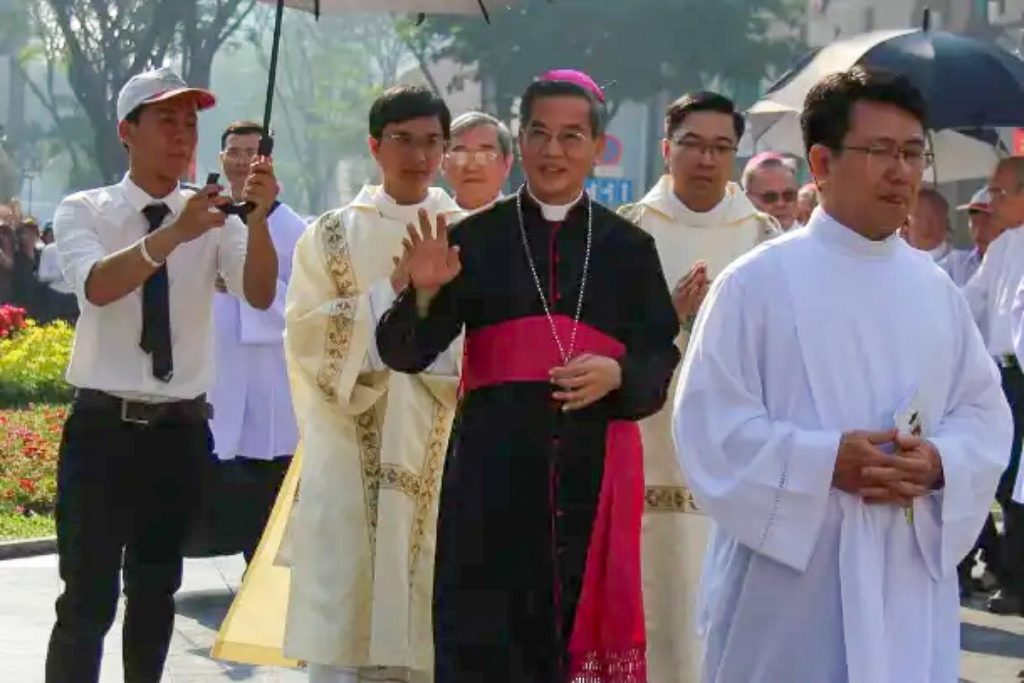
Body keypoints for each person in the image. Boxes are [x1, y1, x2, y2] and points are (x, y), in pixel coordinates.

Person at [674, 66, 1011, 683]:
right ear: (822, 163)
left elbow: (984, 416)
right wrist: (826, 461)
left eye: (913, 153)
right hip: (791, 590)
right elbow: (710, 429)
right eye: (880, 151)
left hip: (904, 579)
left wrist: (938, 462)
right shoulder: (755, 285)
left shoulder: (936, 291)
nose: (902, 171)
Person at [377, 69, 680, 683]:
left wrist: (619, 373)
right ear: (520, 141)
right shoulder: (474, 239)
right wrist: (426, 295)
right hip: (491, 478)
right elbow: (403, 353)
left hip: (591, 475)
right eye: (539, 133)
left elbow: (659, 356)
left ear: (598, 147)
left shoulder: (629, 248)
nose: (553, 150)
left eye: (572, 136)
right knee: (487, 639)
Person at [215, 85, 465, 682]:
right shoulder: (328, 235)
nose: (419, 154)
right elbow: (303, 338)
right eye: (403, 139)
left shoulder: (471, 233)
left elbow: (487, 346)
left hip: (444, 455)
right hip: (349, 460)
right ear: (375, 145)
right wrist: (392, 292)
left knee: (433, 634)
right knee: (342, 640)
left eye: (432, 141)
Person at [44, 66, 279, 683]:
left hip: (178, 431)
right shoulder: (87, 210)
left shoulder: (214, 217)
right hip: (104, 426)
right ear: (128, 131)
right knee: (86, 600)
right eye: (166, 122)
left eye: (190, 124)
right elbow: (98, 286)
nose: (181, 137)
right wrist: (177, 232)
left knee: (155, 595)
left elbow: (257, 292)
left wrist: (255, 219)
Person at [616, 90, 777, 683]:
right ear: (666, 149)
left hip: (731, 475)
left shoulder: (763, 239)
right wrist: (671, 318)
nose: (706, 160)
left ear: (736, 155)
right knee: (649, 620)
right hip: (641, 457)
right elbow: (602, 343)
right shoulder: (625, 231)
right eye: (692, 145)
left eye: (720, 148)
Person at [197, 121, 305, 563]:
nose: (241, 160)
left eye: (251, 152)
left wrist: (245, 287)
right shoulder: (205, 217)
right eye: (233, 151)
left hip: (268, 376)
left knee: (263, 475)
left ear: (267, 161)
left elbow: (304, 304)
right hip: (217, 366)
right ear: (221, 158)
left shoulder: (294, 229)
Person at [963, 156, 1024, 615]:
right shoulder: (1003, 248)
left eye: (999, 192)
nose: (990, 200)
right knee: (1001, 478)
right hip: (1000, 374)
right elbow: (971, 303)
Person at [442, 111, 513, 212]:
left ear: (507, 164)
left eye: (485, 156)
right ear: (443, 164)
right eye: (461, 155)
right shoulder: (429, 224)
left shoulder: (526, 224)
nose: (472, 167)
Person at [938, 187, 996, 287]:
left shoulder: (1014, 264)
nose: (978, 231)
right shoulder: (955, 263)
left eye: (985, 223)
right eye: (974, 222)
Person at [742, 151, 800, 231]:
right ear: (748, 199)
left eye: (788, 195)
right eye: (770, 197)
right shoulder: (735, 240)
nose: (780, 204)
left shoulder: (814, 241)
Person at [902, 186, 951, 261]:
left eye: (934, 216)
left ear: (946, 223)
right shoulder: (894, 265)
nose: (926, 226)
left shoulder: (962, 265)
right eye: (918, 217)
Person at [37, 238, 79, 324]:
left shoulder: (78, 248)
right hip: (55, 295)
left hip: (74, 295)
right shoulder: (49, 249)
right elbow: (42, 275)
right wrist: (58, 274)